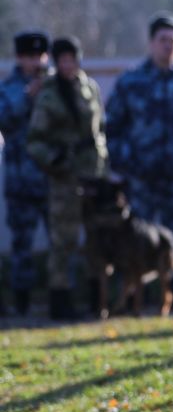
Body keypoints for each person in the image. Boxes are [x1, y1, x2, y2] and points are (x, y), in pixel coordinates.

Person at [105, 12, 173, 312]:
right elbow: (111, 128)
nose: (168, 46)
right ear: (151, 43)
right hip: (139, 178)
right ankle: (132, 298)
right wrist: (125, 163)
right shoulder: (131, 82)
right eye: (162, 40)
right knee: (135, 240)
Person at [25, 37, 107, 321]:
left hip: (93, 176)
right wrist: (56, 160)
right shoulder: (48, 94)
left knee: (97, 238)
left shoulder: (89, 88)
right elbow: (35, 141)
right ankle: (60, 301)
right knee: (63, 242)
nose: (68, 65)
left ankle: (99, 299)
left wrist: (103, 167)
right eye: (62, 60)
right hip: (64, 177)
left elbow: (101, 131)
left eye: (72, 59)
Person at [0, 31, 50, 316]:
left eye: (41, 56)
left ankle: (61, 299)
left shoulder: (57, 84)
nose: (36, 61)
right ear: (19, 57)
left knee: (60, 244)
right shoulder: (8, 88)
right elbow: (3, 120)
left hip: (53, 178)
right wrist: (25, 97)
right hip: (20, 180)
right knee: (22, 246)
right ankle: (21, 304)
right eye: (30, 56)